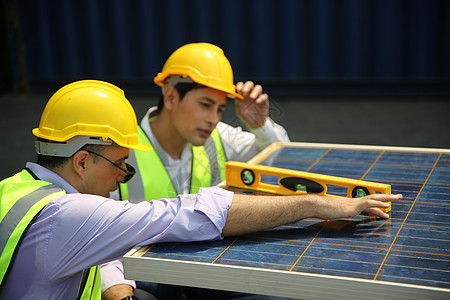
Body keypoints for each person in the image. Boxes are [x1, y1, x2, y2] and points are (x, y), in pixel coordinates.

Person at [0, 79, 402, 299]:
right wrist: (314, 204)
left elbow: (90, 242)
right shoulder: (66, 215)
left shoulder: (14, 190)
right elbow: (190, 213)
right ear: (83, 160)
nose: (125, 174)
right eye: (121, 164)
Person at [103, 42, 291, 298]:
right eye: (205, 104)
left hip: (203, 269)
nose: (214, 119)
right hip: (144, 275)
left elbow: (281, 161)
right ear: (170, 97)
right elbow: (96, 239)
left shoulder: (217, 137)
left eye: (220, 109)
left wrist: (260, 126)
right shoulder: (123, 152)